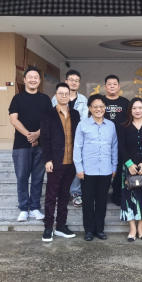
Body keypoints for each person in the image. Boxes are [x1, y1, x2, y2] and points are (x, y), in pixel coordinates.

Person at [9, 68, 52, 222]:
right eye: (30, 77)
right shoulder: (17, 98)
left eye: (36, 77)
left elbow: (49, 120)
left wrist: (37, 134)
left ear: (39, 81)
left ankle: (34, 207)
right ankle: (23, 208)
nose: (33, 80)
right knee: (22, 177)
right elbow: (13, 119)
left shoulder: (45, 99)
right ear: (25, 80)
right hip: (21, 145)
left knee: (38, 177)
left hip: (41, 145)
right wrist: (29, 135)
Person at [74, 94, 118, 242]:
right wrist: (79, 168)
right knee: (87, 201)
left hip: (106, 170)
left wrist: (114, 166)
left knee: (101, 201)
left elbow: (114, 147)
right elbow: (77, 147)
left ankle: (99, 229)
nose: (99, 109)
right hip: (87, 170)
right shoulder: (82, 125)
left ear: (105, 108)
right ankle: (89, 230)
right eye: (95, 106)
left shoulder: (111, 125)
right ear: (90, 108)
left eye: (101, 106)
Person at [40, 83, 81, 243]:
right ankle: (48, 227)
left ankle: (61, 226)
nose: (64, 96)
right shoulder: (48, 114)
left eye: (66, 94)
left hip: (71, 162)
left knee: (65, 195)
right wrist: (48, 160)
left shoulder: (75, 114)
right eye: (61, 93)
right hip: (55, 162)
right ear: (56, 96)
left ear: (70, 96)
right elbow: (45, 139)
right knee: (51, 196)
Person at [117, 98, 142, 242]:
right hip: (129, 166)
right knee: (129, 196)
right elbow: (121, 146)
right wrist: (129, 164)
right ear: (130, 110)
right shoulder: (123, 126)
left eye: (140, 108)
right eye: (134, 108)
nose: (137, 110)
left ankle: (140, 228)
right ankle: (132, 229)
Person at [52, 70, 89, 209]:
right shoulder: (55, 98)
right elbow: (53, 118)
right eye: (71, 80)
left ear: (79, 83)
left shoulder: (83, 100)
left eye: (76, 80)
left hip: (77, 138)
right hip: (59, 138)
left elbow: (83, 121)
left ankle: (76, 193)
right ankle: (59, 193)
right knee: (60, 166)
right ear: (66, 81)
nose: (74, 82)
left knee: (76, 165)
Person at [102, 75, 130, 207]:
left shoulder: (125, 102)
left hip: (120, 142)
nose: (112, 86)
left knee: (118, 169)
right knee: (103, 168)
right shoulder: (100, 101)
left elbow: (130, 121)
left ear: (119, 86)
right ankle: (101, 195)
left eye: (114, 84)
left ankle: (117, 195)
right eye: (109, 84)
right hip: (102, 142)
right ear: (105, 87)